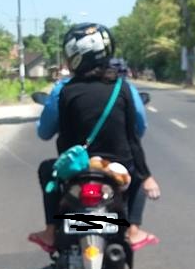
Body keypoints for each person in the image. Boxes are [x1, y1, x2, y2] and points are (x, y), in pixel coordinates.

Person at [28, 23, 160, 253]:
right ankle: (133, 230)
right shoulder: (123, 88)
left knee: (46, 170)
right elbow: (137, 131)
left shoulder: (63, 90)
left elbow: (44, 132)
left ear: (73, 56)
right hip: (118, 168)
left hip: (75, 169)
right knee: (138, 177)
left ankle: (50, 231)